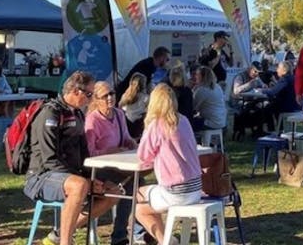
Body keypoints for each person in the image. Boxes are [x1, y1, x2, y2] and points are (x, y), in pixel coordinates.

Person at [23, 71, 117, 245]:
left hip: (70, 175)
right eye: (89, 94)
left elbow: (84, 153)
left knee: (114, 192)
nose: (91, 99)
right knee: (79, 186)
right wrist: (83, 180)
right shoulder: (50, 113)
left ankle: (59, 234)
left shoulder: (79, 114)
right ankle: (66, 242)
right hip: (41, 176)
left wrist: (92, 178)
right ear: (75, 91)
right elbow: (50, 159)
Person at [135, 84, 203, 245]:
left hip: (176, 191)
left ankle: (164, 240)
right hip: (195, 187)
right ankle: (165, 238)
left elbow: (143, 156)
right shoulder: (184, 120)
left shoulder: (157, 125)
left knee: (138, 204)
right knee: (150, 197)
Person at [84, 81, 138, 245]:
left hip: (121, 164)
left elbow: (127, 137)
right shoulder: (92, 120)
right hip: (100, 168)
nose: (110, 98)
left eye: (112, 93)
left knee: (138, 183)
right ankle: (120, 236)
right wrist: (111, 151)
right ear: (96, 99)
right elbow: (90, 153)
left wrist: (132, 144)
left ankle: (134, 231)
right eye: (105, 95)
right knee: (130, 185)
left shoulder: (119, 114)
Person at [191, 65, 227, 132]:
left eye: (197, 75)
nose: (195, 77)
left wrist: (192, 91)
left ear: (202, 77)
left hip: (211, 123)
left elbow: (192, 107)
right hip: (221, 121)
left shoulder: (202, 90)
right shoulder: (217, 87)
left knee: (187, 123)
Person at [119, 72, 149, 140]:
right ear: (143, 85)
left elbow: (120, 107)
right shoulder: (146, 98)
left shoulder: (125, 96)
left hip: (126, 125)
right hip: (138, 127)